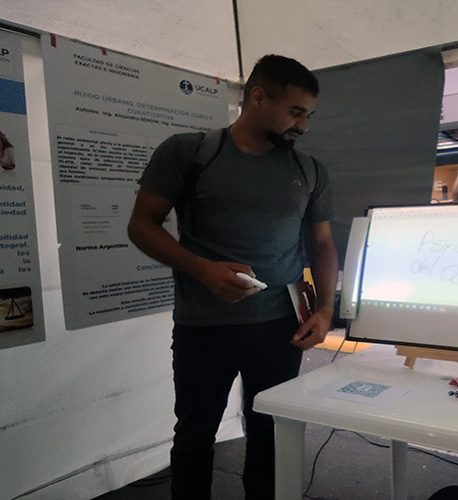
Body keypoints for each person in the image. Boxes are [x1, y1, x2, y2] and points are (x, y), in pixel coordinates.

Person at [127, 54, 338, 500]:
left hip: (282, 328)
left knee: (271, 433)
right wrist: (202, 269)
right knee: (195, 434)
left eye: (308, 115)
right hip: (204, 327)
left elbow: (322, 244)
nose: (303, 126)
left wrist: (324, 309)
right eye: (295, 112)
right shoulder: (189, 153)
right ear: (258, 98)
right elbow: (142, 225)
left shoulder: (309, 170)